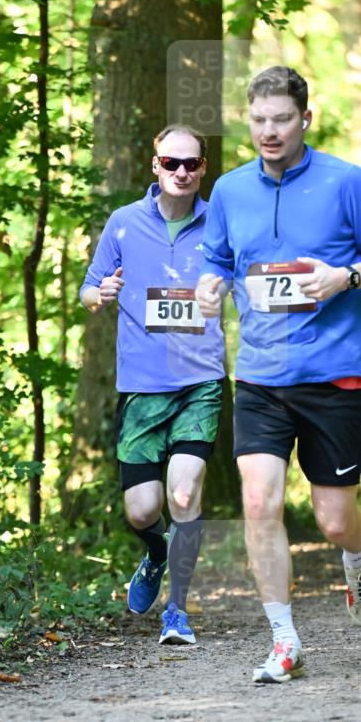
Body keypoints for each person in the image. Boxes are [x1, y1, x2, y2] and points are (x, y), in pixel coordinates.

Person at [196, 65, 361, 683]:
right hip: (261, 377)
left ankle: (356, 563)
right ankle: (285, 641)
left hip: (336, 374)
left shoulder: (347, 182)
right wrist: (210, 288)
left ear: (305, 120)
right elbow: (215, 261)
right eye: (259, 120)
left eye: (282, 120)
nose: (270, 131)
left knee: (335, 519)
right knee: (259, 500)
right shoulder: (232, 191)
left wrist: (347, 276)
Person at [80, 125, 226, 645]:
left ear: (204, 167)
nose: (181, 172)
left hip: (200, 381)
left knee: (183, 493)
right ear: (154, 165)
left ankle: (177, 612)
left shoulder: (220, 222)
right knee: (143, 510)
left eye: (191, 164)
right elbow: (88, 289)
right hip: (142, 386)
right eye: (171, 163)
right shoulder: (123, 223)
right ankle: (156, 553)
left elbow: (248, 279)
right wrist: (102, 291)